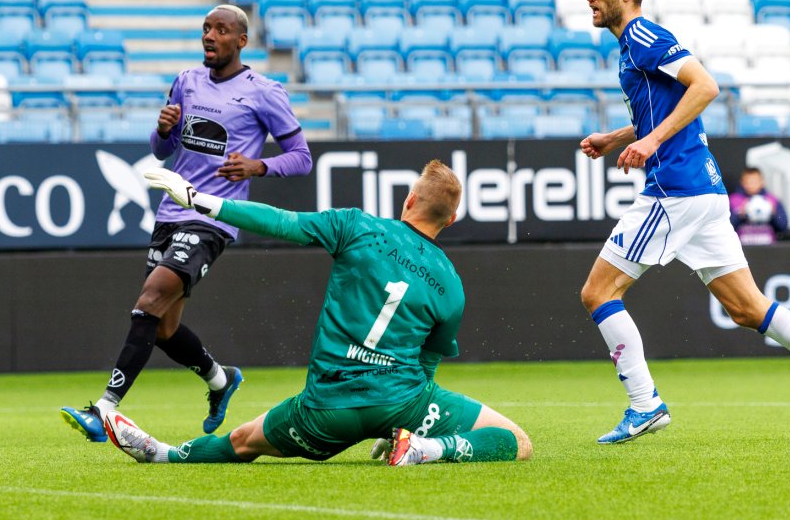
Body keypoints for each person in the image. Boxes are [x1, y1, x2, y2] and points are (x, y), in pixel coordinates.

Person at [579, 0, 790, 444]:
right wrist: (621, 136)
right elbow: (665, 106)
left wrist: (649, 143)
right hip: (705, 193)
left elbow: (705, 86)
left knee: (598, 293)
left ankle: (645, 404)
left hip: (675, 190)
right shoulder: (630, 47)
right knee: (747, 309)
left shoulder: (643, 36)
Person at [103, 160, 533, 467]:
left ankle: (163, 453)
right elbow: (428, 362)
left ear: (409, 200)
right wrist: (409, 424)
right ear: (452, 219)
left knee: (242, 442)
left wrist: (201, 202)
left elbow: (282, 222)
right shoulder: (452, 284)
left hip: (327, 409)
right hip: (402, 405)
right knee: (516, 441)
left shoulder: (356, 226)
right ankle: (423, 449)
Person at [60, 5, 314, 443]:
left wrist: (258, 167)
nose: (210, 36)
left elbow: (302, 158)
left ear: (241, 41)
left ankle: (103, 410)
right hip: (170, 213)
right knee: (162, 328)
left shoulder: (264, 92)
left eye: (220, 30)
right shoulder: (186, 81)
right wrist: (162, 130)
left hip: (214, 217)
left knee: (149, 300)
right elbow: (162, 151)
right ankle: (221, 380)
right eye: (206, 28)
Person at [729, 167, 789, 246]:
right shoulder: (733, 200)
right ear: (742, 182)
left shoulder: (772, 200)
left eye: (754, 182)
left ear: (762, 182)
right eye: (748, 182)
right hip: (741, 247)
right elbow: (725, 226)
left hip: (768, 246)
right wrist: (739, 214)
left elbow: (783, 226)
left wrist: (774, 214)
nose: (751, 185)